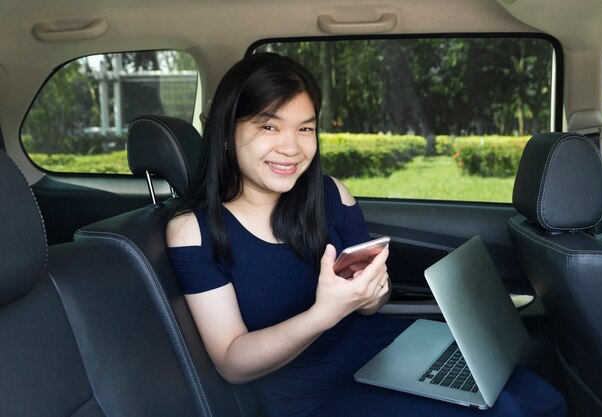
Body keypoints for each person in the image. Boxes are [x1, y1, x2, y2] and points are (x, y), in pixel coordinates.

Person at [166, 53, 566, 417]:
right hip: (310, 395)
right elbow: (233, 362)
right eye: (269, 126)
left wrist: (373, 294)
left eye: (305, 128)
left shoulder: (331, 194)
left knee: (538, 398)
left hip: (377, 347)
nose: (291, 146)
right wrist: (325, 312)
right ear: (225, 132)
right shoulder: (192, 230)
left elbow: (374, 305)